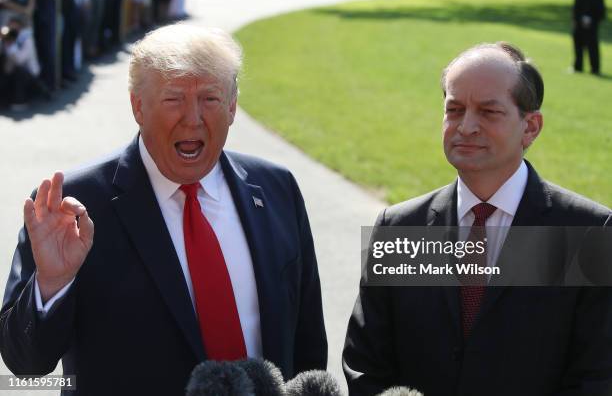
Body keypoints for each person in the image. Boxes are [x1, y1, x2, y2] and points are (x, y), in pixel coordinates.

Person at [0, 24, 327, 395]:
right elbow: (25, 363)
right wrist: (52, 284)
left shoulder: (276, 188)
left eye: (210, 99)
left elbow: (308, 347)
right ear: (138, 106)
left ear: (233, 106)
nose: (193, 117)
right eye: (174, 99)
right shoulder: (71, 208)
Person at [343, 42, 612, 396]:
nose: (466, 126)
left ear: (530, 127)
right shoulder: (401, 226)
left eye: (488, 112)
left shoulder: (584, 231)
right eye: (454, 109)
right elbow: (366, 365)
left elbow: (597, 377)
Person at [572, 0, 606, 75]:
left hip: (588, 17)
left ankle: (595, 68)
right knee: (578, 40)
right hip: (581, 17)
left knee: (591, 43)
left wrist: (588, 16)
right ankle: (578, 66)